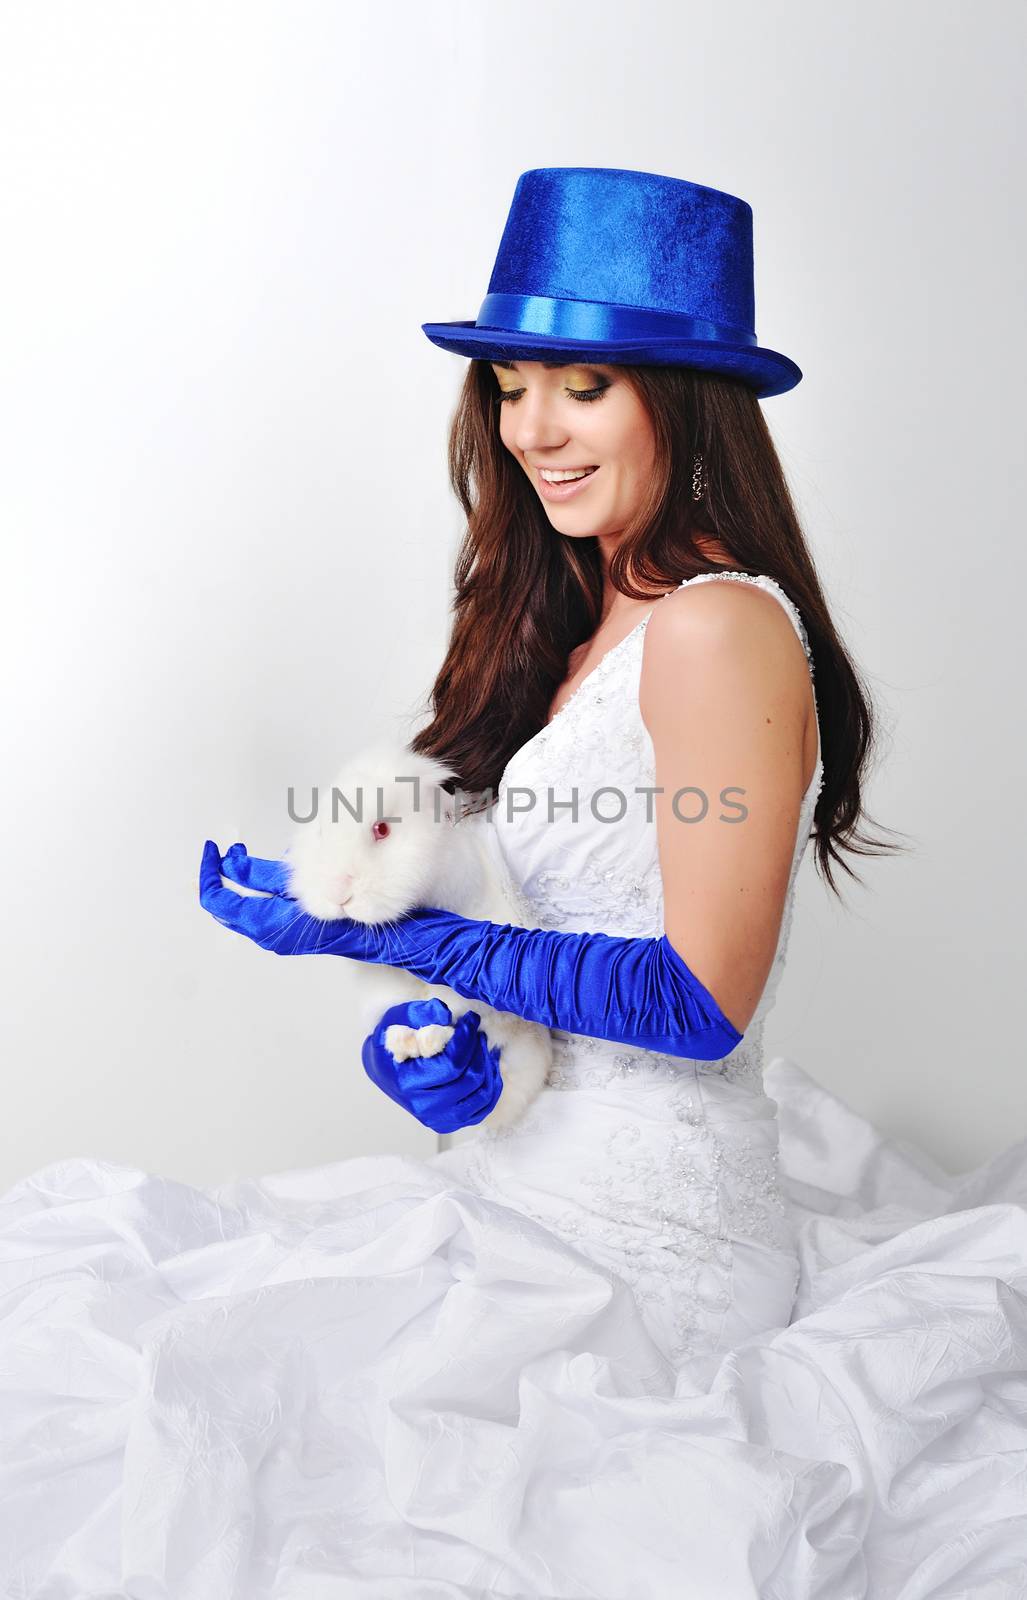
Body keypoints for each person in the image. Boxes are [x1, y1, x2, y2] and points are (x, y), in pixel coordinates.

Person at [5, 168, 1025, 1598]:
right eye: (510, 383)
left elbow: (697, 1001)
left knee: (272, 1458)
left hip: (651, 1248)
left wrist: (410, 935)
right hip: (520, 1187)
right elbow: (548, 936)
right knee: (172, 1383)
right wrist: (447, 1058)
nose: (531, 427)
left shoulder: (718, 631)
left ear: (687, 399)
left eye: (585, 384)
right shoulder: (581, 614)